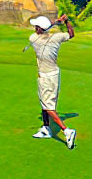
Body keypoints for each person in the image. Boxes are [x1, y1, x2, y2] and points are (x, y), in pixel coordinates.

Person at [27, 13, 76, 148]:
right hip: (53, 74)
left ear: (38, 29)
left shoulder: (33, 39)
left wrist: (55, 22)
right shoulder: (57, 37)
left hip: (46, 76)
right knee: (44, 101)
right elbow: (71, 34)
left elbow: (40, 32)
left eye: (36, 26)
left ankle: (67, 131)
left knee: (48, 107)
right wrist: (65, 22)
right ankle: (46, 128)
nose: (34, 28)